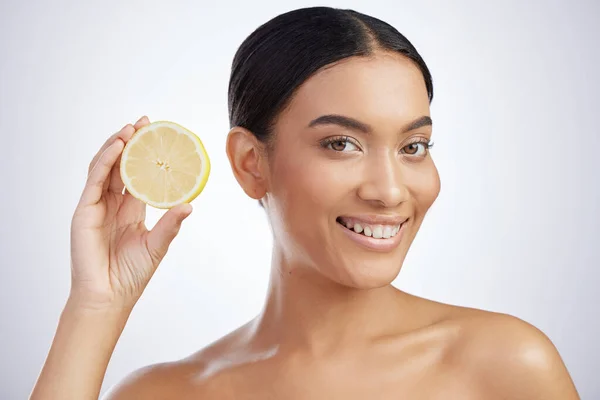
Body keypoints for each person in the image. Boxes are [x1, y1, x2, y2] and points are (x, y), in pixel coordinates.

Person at [30, 6, 580, 399]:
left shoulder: (506, 365)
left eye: (414, 147)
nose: (389, 191)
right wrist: (95, 309)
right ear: (251, 163)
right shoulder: (166, 393)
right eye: (341, 143)